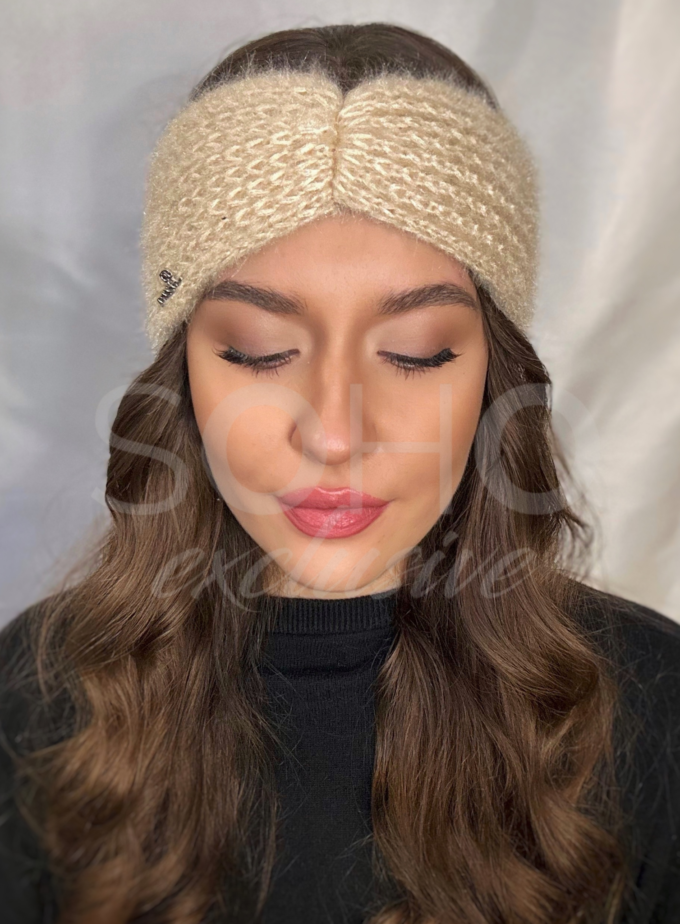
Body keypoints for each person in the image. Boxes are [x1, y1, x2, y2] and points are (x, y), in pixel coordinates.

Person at [1, 21, 679, 924]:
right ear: (180, 371)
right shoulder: (34, 702)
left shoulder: (652, 710)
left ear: (495, 373)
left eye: (416, 352)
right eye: (258, 349)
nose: (334, 433)